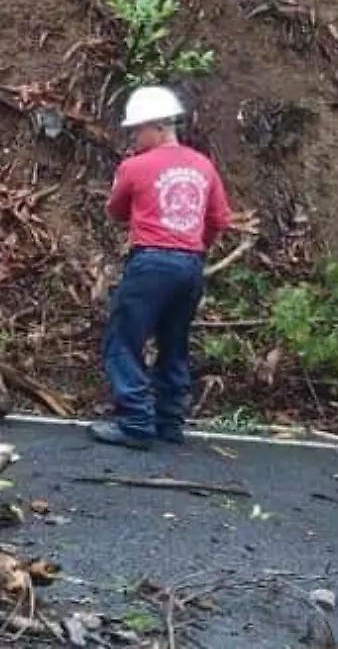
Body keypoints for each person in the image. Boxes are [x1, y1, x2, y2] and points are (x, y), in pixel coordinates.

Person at [90, 85, 233, 449]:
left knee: (123, 339)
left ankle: (136, 422)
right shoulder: (204, 166)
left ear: (157, 127)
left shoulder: (135, 166)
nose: (134, 138)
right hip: (191, 264)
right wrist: (196, 249)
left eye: (137, 131)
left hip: (151, 261)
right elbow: (219, 218)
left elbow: (115, 211)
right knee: (174, 342)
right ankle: (170, 422)